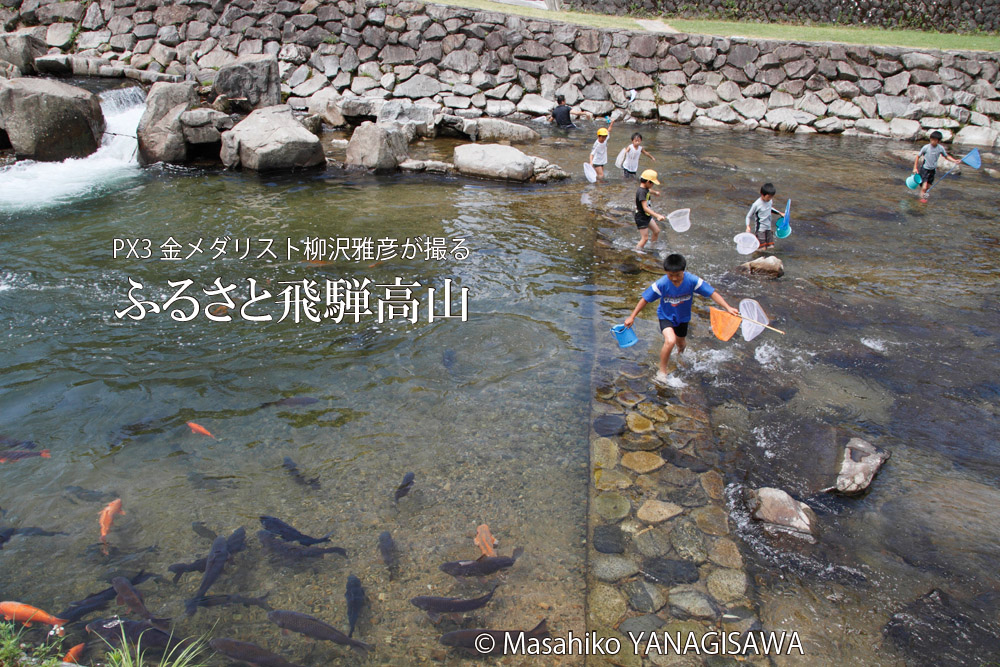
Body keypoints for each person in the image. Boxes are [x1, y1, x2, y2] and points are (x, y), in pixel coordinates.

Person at [623, 253, 740, 387]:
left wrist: (728, 307)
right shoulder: (662, 284)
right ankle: (662, 372)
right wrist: (632, 316)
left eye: (677, 275)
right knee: (670, 340)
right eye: (670, 275)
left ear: (683, 271)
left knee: (681, 344)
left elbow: (712, 293)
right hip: (665, 316)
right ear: (666, 272)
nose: (674, 278)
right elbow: (645, 299)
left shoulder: (692, 281)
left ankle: (679, 357)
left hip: (683, 318)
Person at [912, 130, 961, 202]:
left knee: (928, 187)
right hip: (925, 169)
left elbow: (946, 156)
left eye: (934, 140)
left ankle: (923, 197)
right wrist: (915, 168)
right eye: (931, 139)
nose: (932, 141)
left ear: (938, 141)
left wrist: (954, 160)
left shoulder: (940, 148)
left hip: (932, 170)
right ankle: (921, 200)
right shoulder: (926, 147)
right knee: (924, 187)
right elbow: (917, 156)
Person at [634, 169, 665, 253]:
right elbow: (645, 208)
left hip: (646, 215)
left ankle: (652, 248)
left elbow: (648, 191)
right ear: (648, 182)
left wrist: (655, 192)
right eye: (652, 183)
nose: (653, 185)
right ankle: (637, 253)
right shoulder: (641, 192)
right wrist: (657, 215)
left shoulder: (645, 189)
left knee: (656, 231)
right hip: (641, 217)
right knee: (645, 238)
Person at [745, 182, 779, 251]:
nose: (770, 198)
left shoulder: (770, 201)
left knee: (771, 247)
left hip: (768, 228)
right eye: (769, 197)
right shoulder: (756, 204)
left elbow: (770, 208)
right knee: (762, 248)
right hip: (760, 230)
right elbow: (748, 216)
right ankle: (754, 256)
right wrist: (748, 226)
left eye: (772, 196)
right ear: (762, 194)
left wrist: (780, 213)